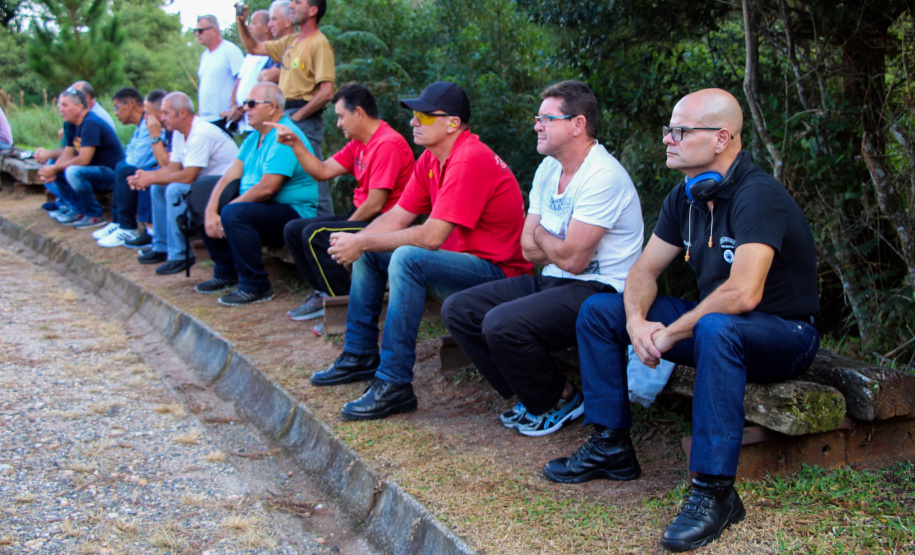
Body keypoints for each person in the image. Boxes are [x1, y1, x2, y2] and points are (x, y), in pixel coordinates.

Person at [543, 89, 821, 553]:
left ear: (721, 138)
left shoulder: (758, 195)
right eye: (668, 130)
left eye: (680, 131)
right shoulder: (686, 197)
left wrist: (669, 333)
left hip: (784, 333)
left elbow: (744, 292)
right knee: (599, 311)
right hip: (721, 329)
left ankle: (715, 492)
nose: (668, 140)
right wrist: (635, 321)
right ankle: (611, 443)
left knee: (716, 326)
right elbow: (644, 270)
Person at [311, 81, 531, 422]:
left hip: (500, 274)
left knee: (407, 257)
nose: (414, 122)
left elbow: (430, 237)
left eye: (424, 116)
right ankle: (359, 354)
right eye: (414, 115)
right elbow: (398, 216)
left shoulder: (469, 158)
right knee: (373, 252)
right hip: (462, 265)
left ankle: (395, 383)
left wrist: (363, 240)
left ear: (452, 123)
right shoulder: (430, 158)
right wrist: (359, 242)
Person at [441, 80, 643, 437]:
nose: (537, 125)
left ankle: (561, 397)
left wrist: (545, 238)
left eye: (547, 118)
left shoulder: (603, 175)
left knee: (501, 322)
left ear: (578, 124)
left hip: (600, 291)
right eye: (538, 118)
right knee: (460, 309)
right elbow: (526, 248)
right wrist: (553, 244)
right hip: (554, 279)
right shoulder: (548, 169)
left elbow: (574, 260)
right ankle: (531, 393)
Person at [269, 83, 414, 321]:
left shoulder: (387, 143)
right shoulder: (359, 142)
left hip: (386, 222)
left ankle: (344, 304)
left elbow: (376, 203)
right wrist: (295, 143)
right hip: (363, 213)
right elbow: (322, 171)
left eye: (340, 117)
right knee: (294, 229)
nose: (338, 123)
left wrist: (344, 231)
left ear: (358, 113)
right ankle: (322, 293)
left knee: (317, 235)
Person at [195, 82, 318, 306]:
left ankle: (256, 286)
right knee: (203, 194)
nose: (245, 109)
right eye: (244, 104)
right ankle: (226, 271)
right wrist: (211, 211)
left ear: (272, 107)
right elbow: (228, 177)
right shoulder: (254, 138)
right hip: (260, 208)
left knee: (234, 212)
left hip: (292, 213)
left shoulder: (284, 135)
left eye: (251, 103)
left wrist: (225, 211)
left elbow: (267, 189)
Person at [236, 0, 335, 216]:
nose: (292, 5)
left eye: (298, 2)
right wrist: (241, 22)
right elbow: (253, 47)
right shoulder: (290, 41)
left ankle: (326, 233)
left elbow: (327, 91)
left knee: (314, 176)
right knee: (279, 174)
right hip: (283, 114)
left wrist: (298, 118)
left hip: (303, 117)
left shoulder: (319, 43)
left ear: (312, 10)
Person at [128, 92, 238, 275]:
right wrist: (146, 176)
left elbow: (187, 176)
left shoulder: (200, 133)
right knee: (157, 187)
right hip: (203, 185)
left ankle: (179, 255)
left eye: (166, 113)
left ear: (183, 113)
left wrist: (151, 177)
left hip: (225, 187)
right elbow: (173, 167)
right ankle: (161, 245)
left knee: (175, 190)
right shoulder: (180, 132)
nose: (161, 118)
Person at [37, 86, 125, 229]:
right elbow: (68, 153)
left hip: (111, 173)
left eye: (65, 105)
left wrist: (55, 168)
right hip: (92, 171)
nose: (60, 108)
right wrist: (52, 169)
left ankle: (95, 215)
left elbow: (84, 159)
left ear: (79, 106)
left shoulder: (91, 123)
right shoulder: (71, 123)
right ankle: (76, 209)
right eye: (59, 104)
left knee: (72, 171)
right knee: (58, 167)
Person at [93, 87, 159, 248]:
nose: (115, 113)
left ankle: (127, 227)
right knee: (122, 166)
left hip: (155, 168)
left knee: (126, 170)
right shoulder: (141, 127)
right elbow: (130, 151)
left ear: (129, 106)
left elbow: (138, 159)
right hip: (146, 166)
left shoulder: (148, 124)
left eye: (116, 107)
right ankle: (118, 222)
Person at [220, 9, 277, 134]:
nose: (249, 26)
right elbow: (239, 81)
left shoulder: (273, 53)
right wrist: (233, 107)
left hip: (262, 122)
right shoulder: (250, 55)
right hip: (243, 121)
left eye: (254, 23)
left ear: (267, 27)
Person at [195, 14, 244, 127]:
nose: (197, 34)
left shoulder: (230, 50)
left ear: (214, 31)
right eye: (195, 31)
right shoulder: (205, 55)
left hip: (222, 118)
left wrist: (234, 108)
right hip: (205, 120)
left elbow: (242, 78)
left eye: (200, 31)